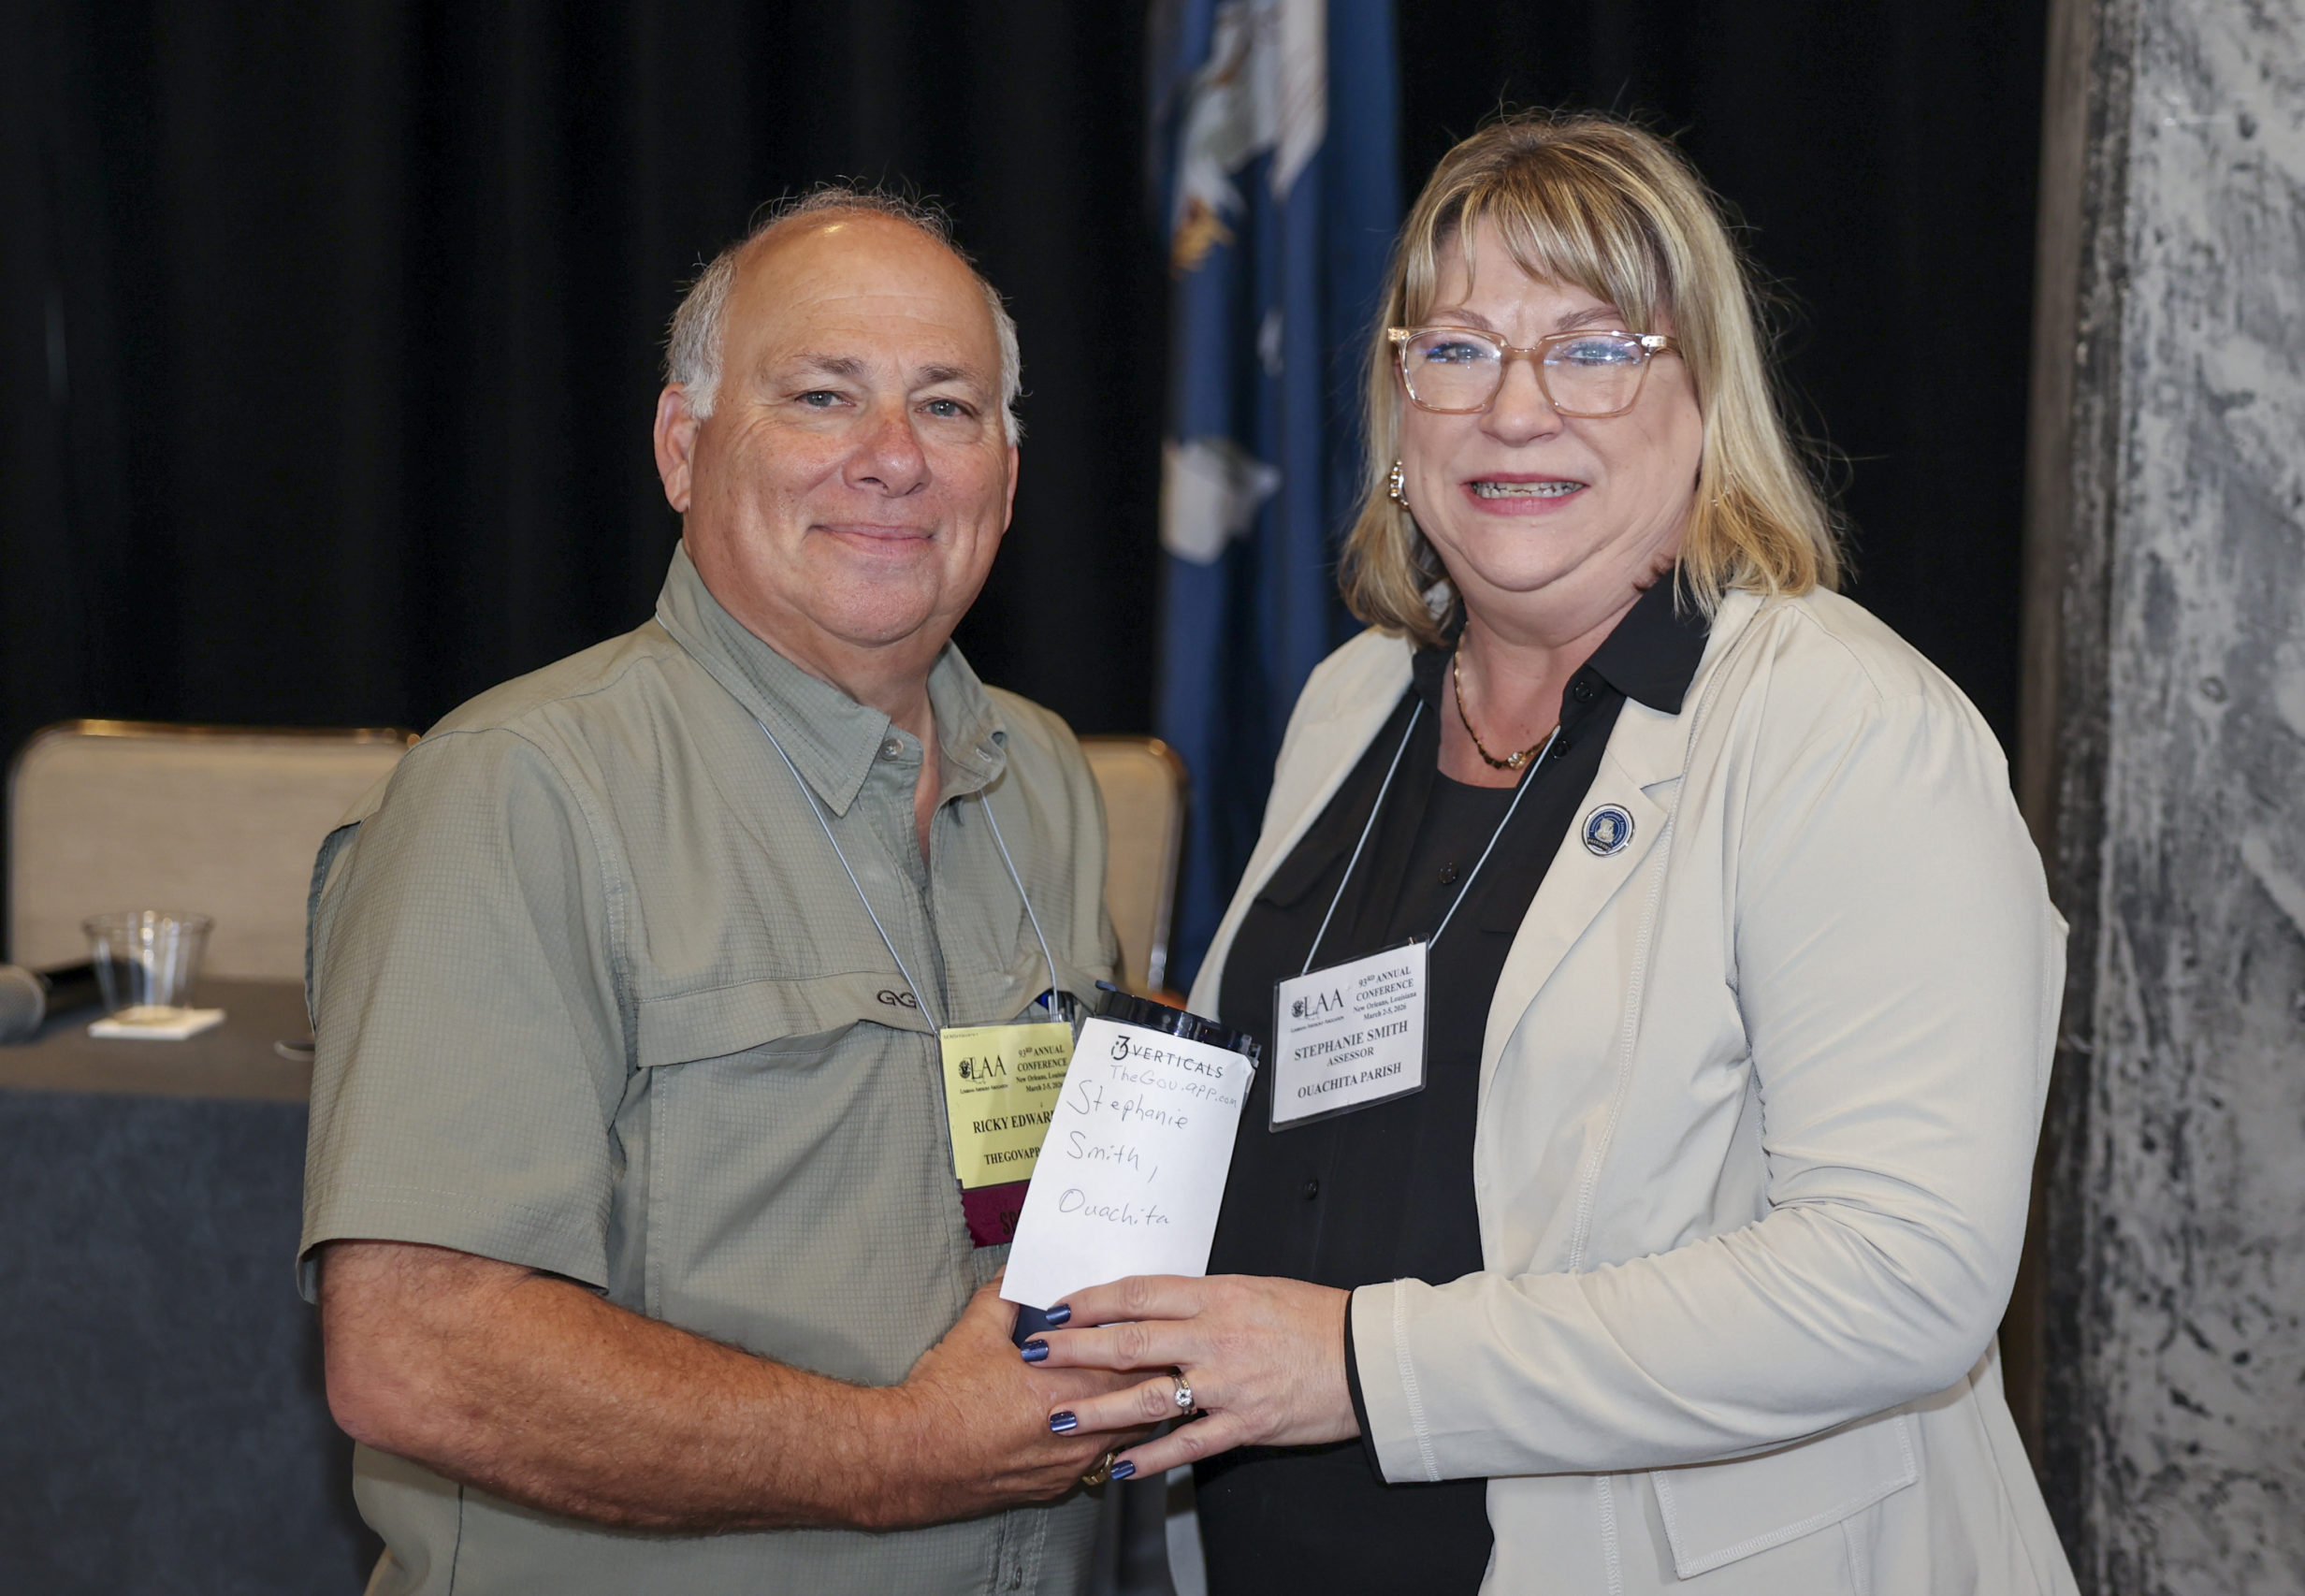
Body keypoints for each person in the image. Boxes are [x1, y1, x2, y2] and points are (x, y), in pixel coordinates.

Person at [1022, 114, 2080, 1594]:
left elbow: (1902, 1277)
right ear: (1403, 410)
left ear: (1706, 400)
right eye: (1458, 350)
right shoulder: (1356, 699)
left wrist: (1361, 1360)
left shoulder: (1844, 725)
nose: (1516, 410)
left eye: (1593, 350)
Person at [300, 188, 1152, 1594]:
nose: (893, 459)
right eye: (822, 396)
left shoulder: (1042, 780)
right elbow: (421, 1353)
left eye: (947, 407)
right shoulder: (521, 794)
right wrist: (902, 1453)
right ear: (682, 447)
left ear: (1007, 477)